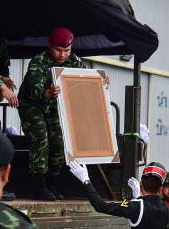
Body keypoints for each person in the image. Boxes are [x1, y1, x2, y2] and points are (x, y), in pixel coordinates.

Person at [18, 27, 109, 201]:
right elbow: (34, 88)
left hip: (54, 107)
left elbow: (84, 80)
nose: (62, 55)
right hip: (32, 105)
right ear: (49, 46)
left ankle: (51, 183)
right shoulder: (38, 61)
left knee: (60, 142)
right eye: (58, 50)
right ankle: (39, 185)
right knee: (41, 139)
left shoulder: (74, 61)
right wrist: (47, 93)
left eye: (66, 50)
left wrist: (101, 81)